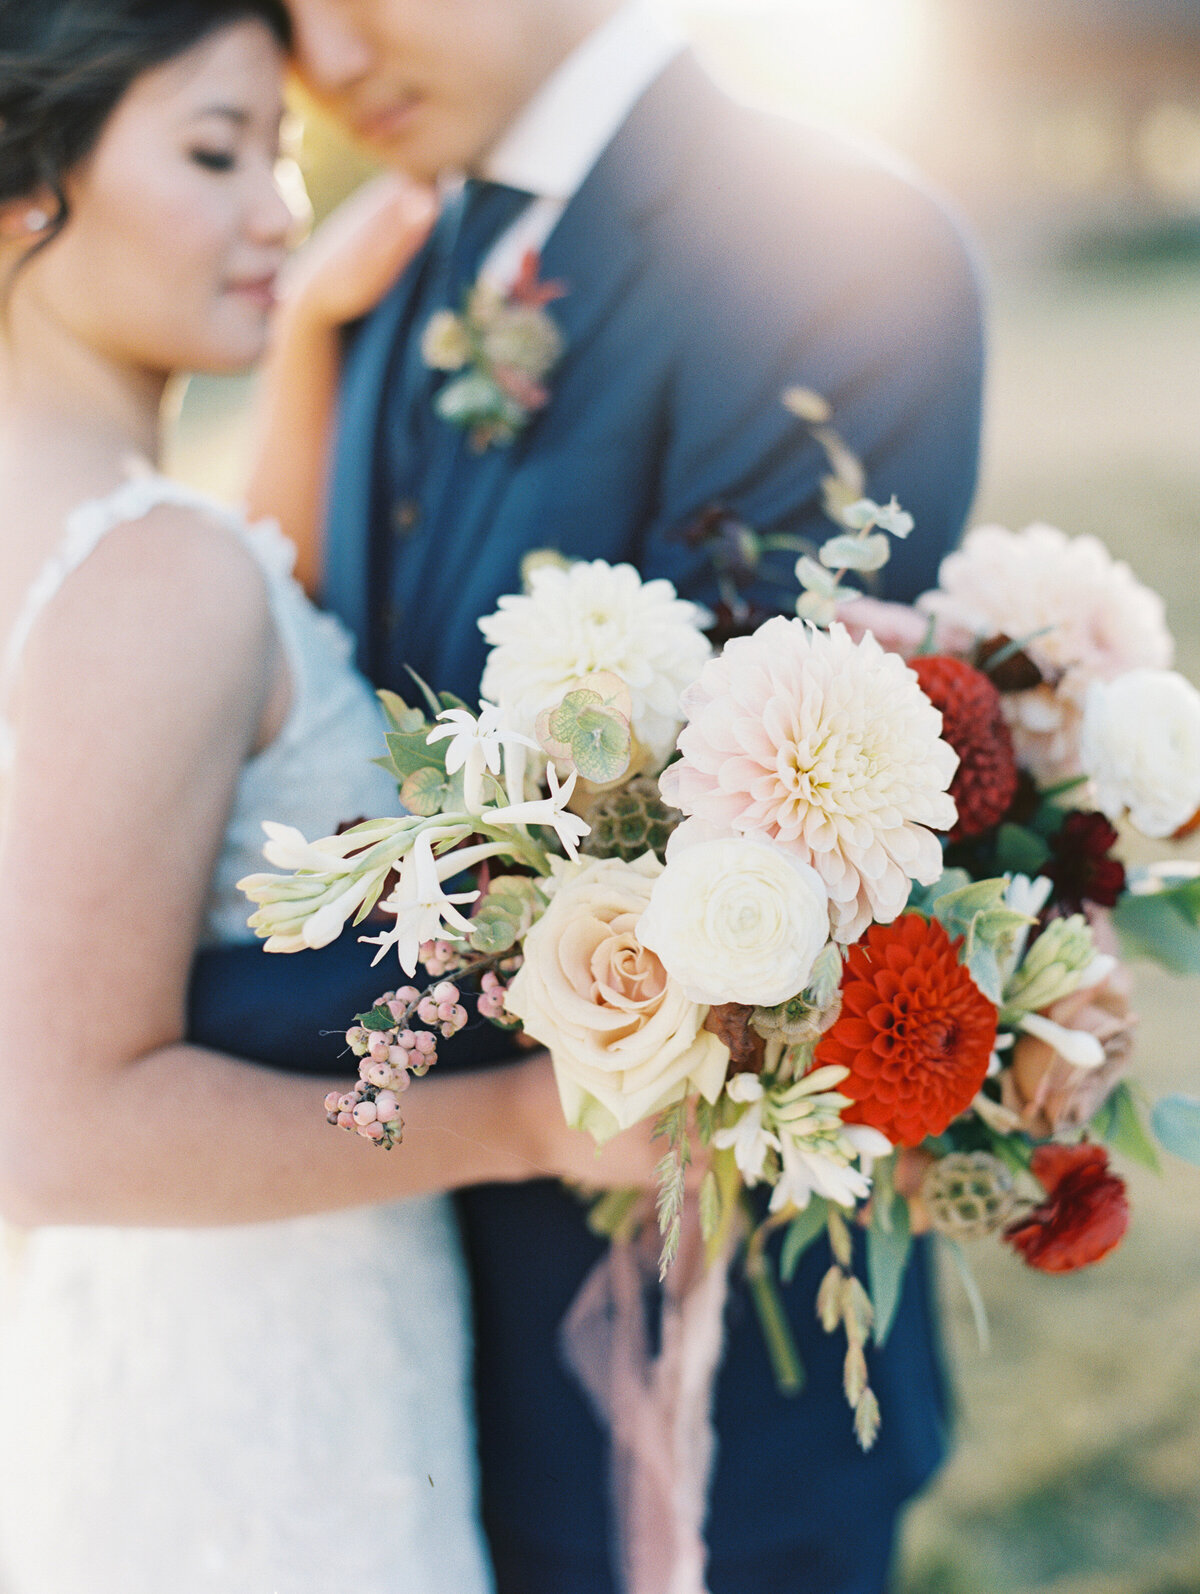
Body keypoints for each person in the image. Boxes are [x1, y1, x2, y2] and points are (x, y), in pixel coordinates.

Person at [229, 1, 986, 1591]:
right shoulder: (401, 266)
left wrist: (136, 1046)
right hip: (393, 1345)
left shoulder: (837, 245)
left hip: (698, 1372)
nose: (325, 59)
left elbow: (721, 863)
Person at [0, 5, 664, 1591]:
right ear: (27, 187)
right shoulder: (154, 574)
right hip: (256, 1406)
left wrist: (299, 343)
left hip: (118, 1356)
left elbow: (223, 638)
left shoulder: (103, 541)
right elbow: (56, 1128)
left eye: (282, 155)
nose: (279, 211)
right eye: (218, 152)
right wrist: (524, 1118)